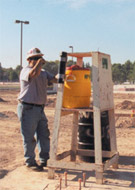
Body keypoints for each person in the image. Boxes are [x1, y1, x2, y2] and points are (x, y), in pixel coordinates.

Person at [17, 47, 57, 171]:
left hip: (40, 108)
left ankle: (44, 159)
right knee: (29, 137)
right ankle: (30, 162)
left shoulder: (44, 72)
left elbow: (55, 79)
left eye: (39, 58)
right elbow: (34, 74)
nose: (38, 60)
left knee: (44, 135)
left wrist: (64, 71)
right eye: (35, 58)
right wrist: (39, 63)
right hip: (27, 107)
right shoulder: (26, 70)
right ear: (29, 60)